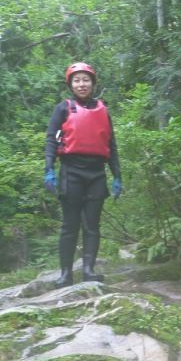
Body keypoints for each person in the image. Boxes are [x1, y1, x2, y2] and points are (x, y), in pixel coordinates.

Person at [44, 62, 122, 288]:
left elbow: (111, 144)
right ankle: (66, 273)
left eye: (86, 80)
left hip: (96, 173)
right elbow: (54, 139)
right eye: (77, 80)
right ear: (70, 84)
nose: (82, 84)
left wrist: (117, 175)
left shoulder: (103, 110)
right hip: (72, 171)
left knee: (92, 225)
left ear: (93, 83)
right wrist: (49, 168)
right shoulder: (63, 109)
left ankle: (88, 270)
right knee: (70, 225)